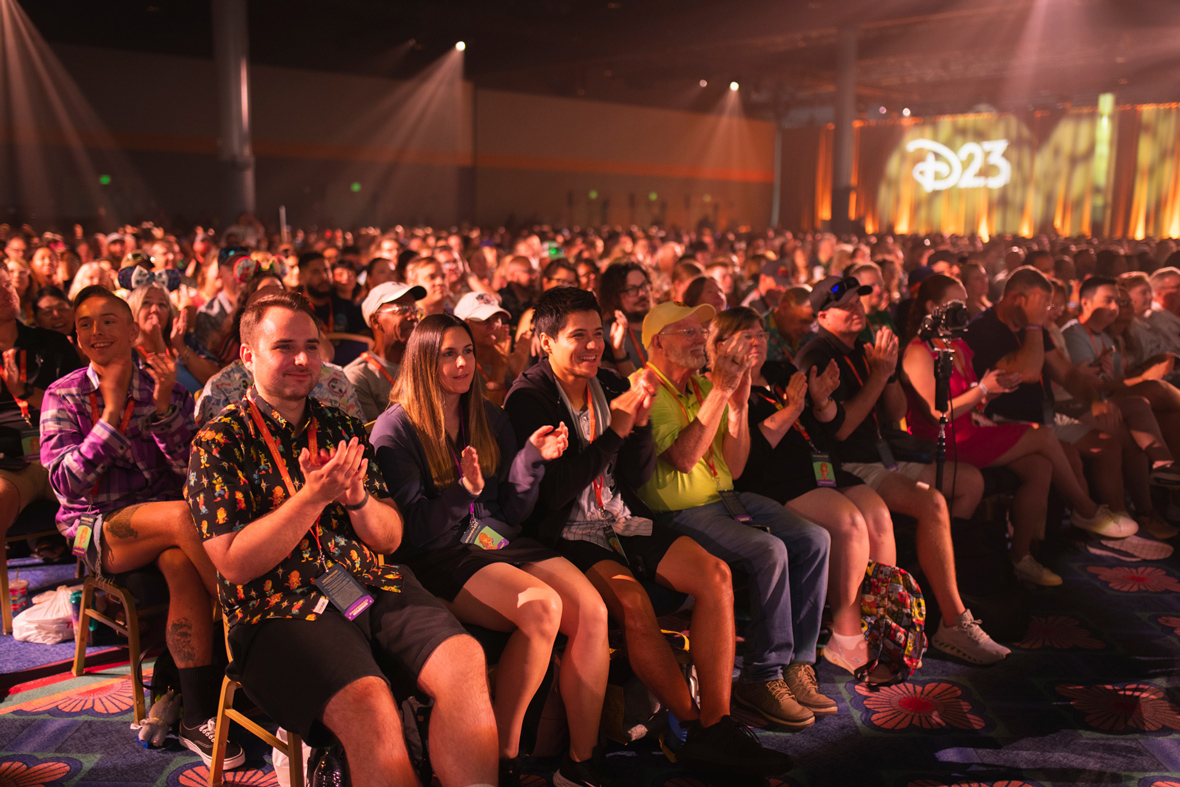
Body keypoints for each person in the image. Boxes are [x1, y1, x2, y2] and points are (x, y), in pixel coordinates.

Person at [188, 291, 497, 787]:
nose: (302, 359)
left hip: (368, 583)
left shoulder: (341, 426)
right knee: (370, 703)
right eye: (284, 347)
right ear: (248, 355)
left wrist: (357, 500)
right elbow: (234, 563)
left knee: (465, 661)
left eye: (311, 346)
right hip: (278, 607)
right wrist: (310, 499)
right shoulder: (218, 443)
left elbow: (390, 539)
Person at [504, 288, 792, 778]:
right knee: (634, 603)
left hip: (621, 518)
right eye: (578, 336)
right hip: (566, 532)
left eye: (598, 334)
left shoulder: (608, 381)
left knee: (716, 576)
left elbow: (635, 477)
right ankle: (693, 725)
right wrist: (617, 431)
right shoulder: (529, 398)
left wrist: (637, 427)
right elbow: (553, 494)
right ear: (546, 342)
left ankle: (716, 725)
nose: (593, 345)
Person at [372, 313, 611, 787]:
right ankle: (504, 757)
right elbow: (412, 534)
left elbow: (512, 512)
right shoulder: (394, 429)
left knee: (593, 612)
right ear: (422, 361)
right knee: (543, 608)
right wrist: (462, 493)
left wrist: (530, 461)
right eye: (449, 354)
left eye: (467, 352)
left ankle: (579, 763)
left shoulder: (487, 414)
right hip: (441, 554)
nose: (463, 363)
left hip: (496, 539)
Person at [40, 285, 237, 765]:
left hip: (165, 525)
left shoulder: (160, 386)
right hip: (92, 526)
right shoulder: (63, 393)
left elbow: (192, 471)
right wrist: (109, 417)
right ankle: (248, 615)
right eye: (85, 324)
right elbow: (65, 484)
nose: (96, 331)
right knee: (182, 516)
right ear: (76, 337)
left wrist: (166, 408)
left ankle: (195, 713)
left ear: (132, 331)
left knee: (179, 562)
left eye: (108, 320)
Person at [636, 300, 835, 729]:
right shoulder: (647, 389)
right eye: (689, 332)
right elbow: (684, 459)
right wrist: (721, 393)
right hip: (680, 512)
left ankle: (797, 665)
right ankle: (762, 676)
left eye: (701, 331)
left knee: (815, 539)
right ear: (659, 343)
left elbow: (736, 466)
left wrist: (739, 406)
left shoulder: (699, 386)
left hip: (727, 497)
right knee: (769, 551)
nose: (701, 340)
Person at [796, 275, 1011, 665]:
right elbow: (841, 430)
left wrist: (889, 373)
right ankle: (952, 620)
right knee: (932, 503)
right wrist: (879, 375)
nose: (857, 308)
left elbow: (896, 412)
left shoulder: (863, 348)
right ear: (823, 316)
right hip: (845, 465)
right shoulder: (817, 355)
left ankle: (936, 579)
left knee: (968, 481)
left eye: (858, 301)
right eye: (845, 305)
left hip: (885, 455)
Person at [902, 275, 1128, 586]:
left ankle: (1021, 557)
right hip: (940, 441)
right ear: (932, 306)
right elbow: (939, 414)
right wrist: (983, 389)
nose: (963, 309)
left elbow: (973, 401)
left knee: (1040, 465)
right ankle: (1086, 509)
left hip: (969, 429)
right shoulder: (919, 350)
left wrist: (992, 390)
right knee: (1042, 435)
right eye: (955, 303)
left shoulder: (958, 346)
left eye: (965, 303)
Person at [713, 307, 895, 675]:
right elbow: (747, 459)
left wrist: (822, 401)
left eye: (761, 334)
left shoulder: (781, 372)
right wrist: (793, 409)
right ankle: (845, 635)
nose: (757, 342)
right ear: (720, 344)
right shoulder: (724, 387)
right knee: (849, 524)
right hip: (775, 479)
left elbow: (828, 428)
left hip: (820, 466)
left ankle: (880, 622)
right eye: (746, 336)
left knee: (877, 515)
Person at [961, 267, 1141, 539]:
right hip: (1002, 420)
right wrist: (1035, 325)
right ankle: (1083, 520)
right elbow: (1028, 372)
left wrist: (1094, 400)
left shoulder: (1032, 327)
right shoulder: (984, 328)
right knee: (1068, 457)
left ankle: (1115, 520)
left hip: (1044, 416)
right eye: (1041, 303)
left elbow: (1065, 372)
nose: (1046, 310)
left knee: (1108, 445)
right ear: (1016, 298)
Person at [342, 282, 424, 422]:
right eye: (402, 309)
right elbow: (376, 433)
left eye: (415, 309)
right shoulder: (359, 376)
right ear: (376, 321)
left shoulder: (424, 363)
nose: (413, 317)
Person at [453, 291, 530, 407]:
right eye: (484, 320)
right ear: (464, 325)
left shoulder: (514, 360)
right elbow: (487, 415)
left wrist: (518, 375)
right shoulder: (461, 368)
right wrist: (499, 369)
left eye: (496, 319)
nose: (493, 325)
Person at [598, 261, 652, 377]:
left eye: (644, 285)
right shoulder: (606, 336)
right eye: (632, 289)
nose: (642, 293)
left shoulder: (665, 324)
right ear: (615, 296)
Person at [299, 252, 366, 334]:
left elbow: (364, 336)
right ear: (301, 277)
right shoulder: (296, 309)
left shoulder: (345, 306)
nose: (324, 277)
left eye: (326, 270)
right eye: (315, 272)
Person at [765, 286, 815, 364]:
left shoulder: (809, 337)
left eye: (810, 324)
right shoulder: (758, 338)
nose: (806, 330)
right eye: (802, 321)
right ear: (784, 308)